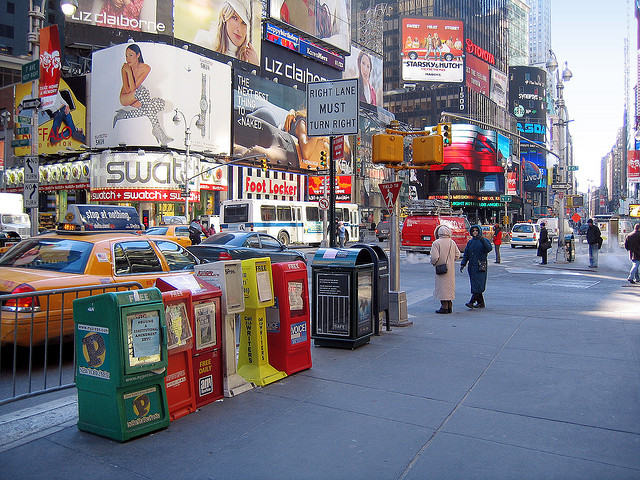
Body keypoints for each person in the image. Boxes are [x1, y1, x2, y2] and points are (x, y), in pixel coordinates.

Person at [113, 44, 173, 146]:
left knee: (159, 103)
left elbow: (134, 88)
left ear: (138, 55)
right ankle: (157, 129)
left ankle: (124, 115)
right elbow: (129, 89)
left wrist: (130, 73)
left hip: (138, 99)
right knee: (143, 91)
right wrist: (128, 72)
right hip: (126, 97)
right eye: (126, 56)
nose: (128, 59)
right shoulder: (125, 68)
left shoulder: (146, 68)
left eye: (131, 55)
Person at [194, 0, 258, 65]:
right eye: (235, 18)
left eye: (244, 23)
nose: (239, 29)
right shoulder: (204, 41)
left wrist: (254, 68)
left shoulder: (248, 58)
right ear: (225, 17)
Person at [460, 224, 492, 309]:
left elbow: (489, 248)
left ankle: (472, 302)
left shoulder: (484, 240)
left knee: (478, 284)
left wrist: (482, 239)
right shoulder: (470, 242)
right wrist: (463, 263)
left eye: (476, 231)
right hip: (472, 266)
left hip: (480, 266)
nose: (475, 232)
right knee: (475, 284)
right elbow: (466, 254)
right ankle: (481, 303)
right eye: (473, 231)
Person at [430, 225, 461, 314]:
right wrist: (451, 260)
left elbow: (434, 257)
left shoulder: (436, 243)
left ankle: (444, 307)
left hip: (440, 268)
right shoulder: (452, 242)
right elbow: (457, 255)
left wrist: (434, 263)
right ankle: (449, 305)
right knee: (449, 286)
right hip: (450, 269)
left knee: (441, 287)